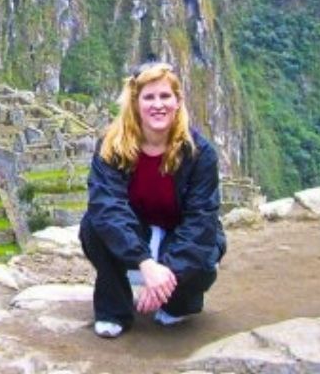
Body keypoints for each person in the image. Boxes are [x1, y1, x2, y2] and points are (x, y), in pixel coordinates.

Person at [79, 61, 226, 338]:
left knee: (203, 260)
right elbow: (106, 207)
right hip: (137, 234)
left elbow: (201, 220)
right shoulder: (112, 147)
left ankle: (177, 300)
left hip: (178, 235)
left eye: (165, 96)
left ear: (178, 101)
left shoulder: (199, 153)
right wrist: (144, 262)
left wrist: (167, 274)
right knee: (93, 226)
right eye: (149, 97)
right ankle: (114, 309)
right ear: (136, 104)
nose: (158, 105)